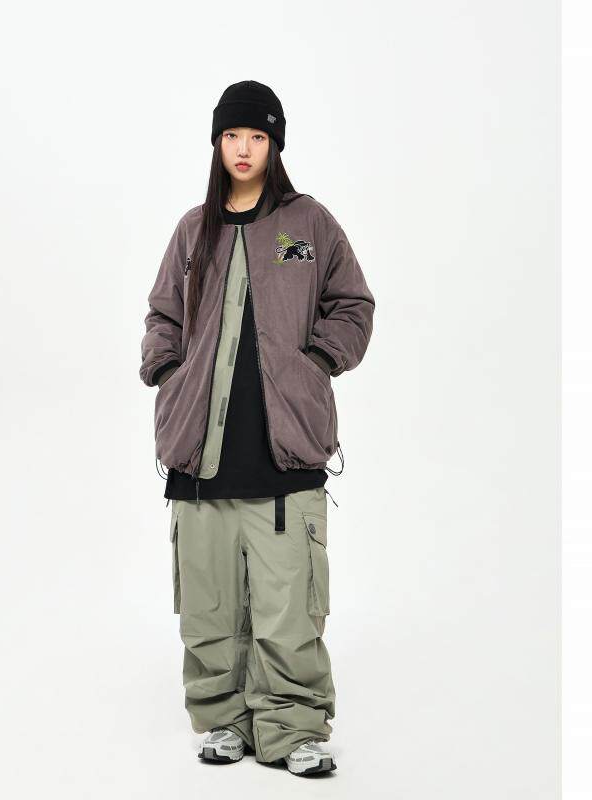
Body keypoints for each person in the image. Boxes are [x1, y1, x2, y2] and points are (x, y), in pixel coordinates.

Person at [139, 80, 375, 776]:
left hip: (285, 453)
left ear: (275, 145)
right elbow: (162, 314)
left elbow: (352, 304)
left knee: (288, 609)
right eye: (232, 136)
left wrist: (316, 362)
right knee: (208, 606)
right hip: (200, 453)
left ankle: (292, 728)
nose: (244, 149)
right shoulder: (194, 229)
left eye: (258, 137)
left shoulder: (309, 224)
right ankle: (221, 721)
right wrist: (168, 370)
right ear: (217, 144)